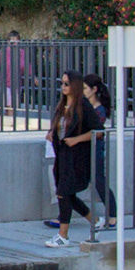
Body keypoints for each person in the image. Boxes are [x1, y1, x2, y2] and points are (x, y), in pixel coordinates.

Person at [45, 72, 98, 248]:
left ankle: (63, 235)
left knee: (63, 193)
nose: (64, 86)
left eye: (67, 83)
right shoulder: (62, 105)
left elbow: (98, 131)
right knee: (66, 194)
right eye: (62, 83)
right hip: (62, 155)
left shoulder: (83, 106)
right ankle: (95, 220)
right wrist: (52, 133)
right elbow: (58, 126)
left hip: (76, 157)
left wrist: (77, 139)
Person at [81, 73, 118, 229]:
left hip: (95, 148)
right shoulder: (86, 105)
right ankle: (63, 217)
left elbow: (96, 131)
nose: (82, 91)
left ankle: (113, 215)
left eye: (85, 88)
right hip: (85, 147)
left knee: (99, 181)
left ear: (94, 89)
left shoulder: (99, 110)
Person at [0, 30, 31, 130]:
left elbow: (27, 66)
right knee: (5, 106)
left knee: (12, 106)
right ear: (8, 42)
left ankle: (8, 125)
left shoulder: (22, 53)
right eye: (12, 41)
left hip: (16, 83)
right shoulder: (2, 53)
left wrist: (33, 77)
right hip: (3, 83)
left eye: (16, 41)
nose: (14, 44)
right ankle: (6, 125)